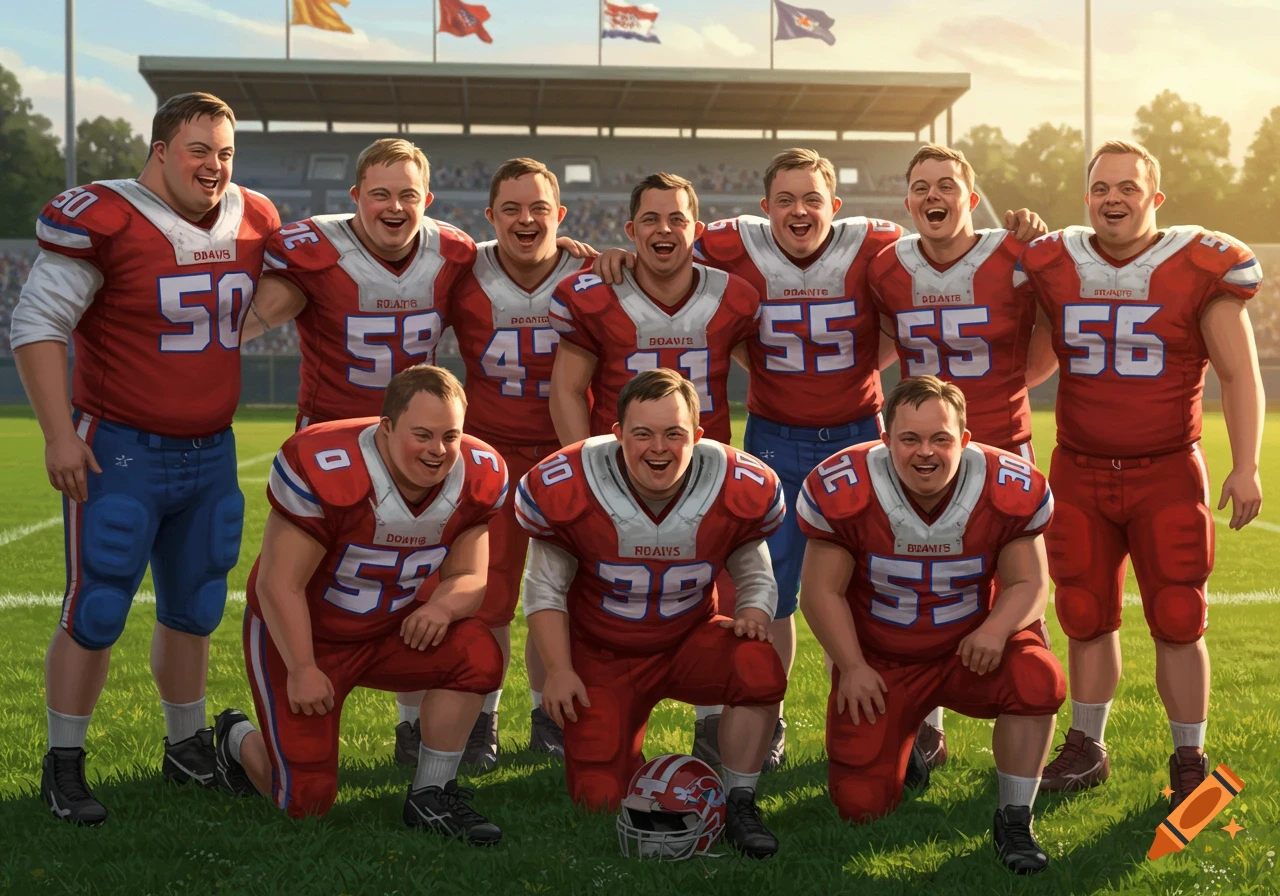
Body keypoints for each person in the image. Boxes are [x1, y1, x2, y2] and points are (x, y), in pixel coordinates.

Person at [593, 149, 1046, 771]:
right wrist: (602, 255)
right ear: (764, 209)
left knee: (883, 584)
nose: (799, 211)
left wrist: (1020, 230)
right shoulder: (729, 244)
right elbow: (663, 246)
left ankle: (914, 723)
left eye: (812, 199)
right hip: (775, 438)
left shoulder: (876, 244)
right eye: (785, 200)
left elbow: (924, 285)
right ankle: (768, 715)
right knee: (771, 589)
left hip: (860, 436)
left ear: (836, 206)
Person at [8, 92, 280, 825]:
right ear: (160, 149)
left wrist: (248, 325)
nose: (215, 166)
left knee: (195, 606)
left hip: (212, 452)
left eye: (225, 152)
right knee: (96, 607)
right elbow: (37, 322)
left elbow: (278, 293)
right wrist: (59, 433)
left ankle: (186, 744)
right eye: (199, 149)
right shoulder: (104, 215)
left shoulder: (254, 215)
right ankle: (63, 763)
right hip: (121, 446)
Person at [1019, 140, 1265, 807]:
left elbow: (1240, 374)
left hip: (1165, 470)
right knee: (1083, 612)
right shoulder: (1055, 263)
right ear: (1087, 199)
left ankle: (1190, 756)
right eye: (1100, 188)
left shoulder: (1198, 263)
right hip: (1080, 468)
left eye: (1128, 187)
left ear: (1154, 198)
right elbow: (1033, 365)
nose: (1113, 199)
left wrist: (1246, 466)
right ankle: (1088, 746)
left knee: (1179, 615)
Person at [213, 365, 509, 844]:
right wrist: (304, 667)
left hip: (390, 629)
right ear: (386, 428)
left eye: (450, 436)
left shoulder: (476, 474)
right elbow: (277, 585)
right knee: (306, 802)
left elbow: (471, 576)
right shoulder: (328, 464)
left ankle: (432, 793)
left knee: (477, 653)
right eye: (423, 435)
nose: (438, 450)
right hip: (305, 636)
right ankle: (234, 738)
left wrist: (441, 608)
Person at [797, 374, 1063, 874]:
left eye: (940, 438)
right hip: (884, 660)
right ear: (885, 439)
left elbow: (1031, 584)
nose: (926, 453)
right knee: (861, 806)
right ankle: (905, 743)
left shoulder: (1005, 485)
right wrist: (851, 666)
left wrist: (995, 629)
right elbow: (819, 591)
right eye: (910, 439)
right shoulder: (847, 486)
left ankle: (1015, 817)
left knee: (1038, 677)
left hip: (970, 651)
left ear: (963, 440)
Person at [518, 369, 788, 858]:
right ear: (618, 434)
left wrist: (752, 610)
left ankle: (739, 799)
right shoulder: (572, 481)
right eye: (642, 433)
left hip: (690, 641)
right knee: (598, 798)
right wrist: (557, 670)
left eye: (673, 433)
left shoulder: (734, 481)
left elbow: (755, 572)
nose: (657, 447)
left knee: (757, 663)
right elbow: (543, 590)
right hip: (604, 654)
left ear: (698, 436)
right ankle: (639, 768)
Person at [867, 143, 1052, 772]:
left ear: (970, 197)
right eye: (920, 187)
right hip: (922, 458)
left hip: (1004, 446)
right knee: (921, 589)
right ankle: (927, 730)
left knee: (1021, 593)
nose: (933, 196)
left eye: (946, 185)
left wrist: (1010, 392)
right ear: (908, 202)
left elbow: (1050, 334)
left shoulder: (1016, 254)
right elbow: (887, 338)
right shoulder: (889, 266)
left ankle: (1028, 738)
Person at [449, 158, 593, 768]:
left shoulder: (592, 271)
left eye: (538, 208)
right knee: (488, 596)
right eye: (511, 208)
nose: (525, 219)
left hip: (567, 451)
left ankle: (550, 715)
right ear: (490, 217)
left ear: (560, 218)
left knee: (560, 592)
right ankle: (480, 720)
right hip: (491, 455)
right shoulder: (461, 271)